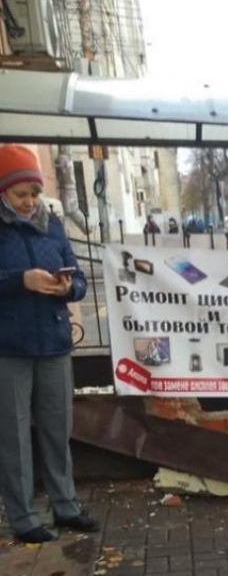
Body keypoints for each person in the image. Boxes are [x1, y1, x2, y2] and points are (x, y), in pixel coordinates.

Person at [0, 145, 99, 543]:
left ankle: (65, 506)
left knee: (59, 428)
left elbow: (79, 278)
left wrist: (67, 286)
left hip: (54, 341)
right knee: (14, 434)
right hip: (9, 346)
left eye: (34, 193)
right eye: (20, 195)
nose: (29, 202)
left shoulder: (53, 224)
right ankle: (23, 517)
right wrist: (19, 281)